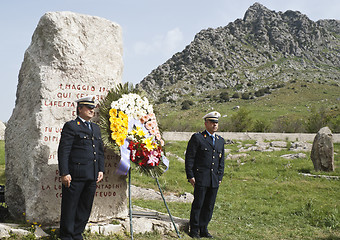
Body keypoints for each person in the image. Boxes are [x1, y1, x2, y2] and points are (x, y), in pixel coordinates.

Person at [58, 95, 105, 240]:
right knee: (70, 207)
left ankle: (77, 234)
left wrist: (101, 169)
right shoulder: (71, 126)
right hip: (75, 175)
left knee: (85, 208)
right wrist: (64, 173)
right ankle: (66, 236)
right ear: (80, 109)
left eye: (93, 108)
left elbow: (100, 151)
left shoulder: (95, 128)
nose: (92, 110)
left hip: (91, 175)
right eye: (89, 108)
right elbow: (64, 151)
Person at [185, 111, 225, 238]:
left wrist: (219, 177)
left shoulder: (220, 140)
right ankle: (194, 230)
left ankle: (204, 228)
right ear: (206, 123)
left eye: (216, 123)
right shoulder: (198, 138)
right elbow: (190, 158)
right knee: (198, 204)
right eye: (212, 122)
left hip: (213, 179)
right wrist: (190, 175)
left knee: (209, 205)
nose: (215, 125)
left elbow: (221, 161)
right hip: (201, 177)